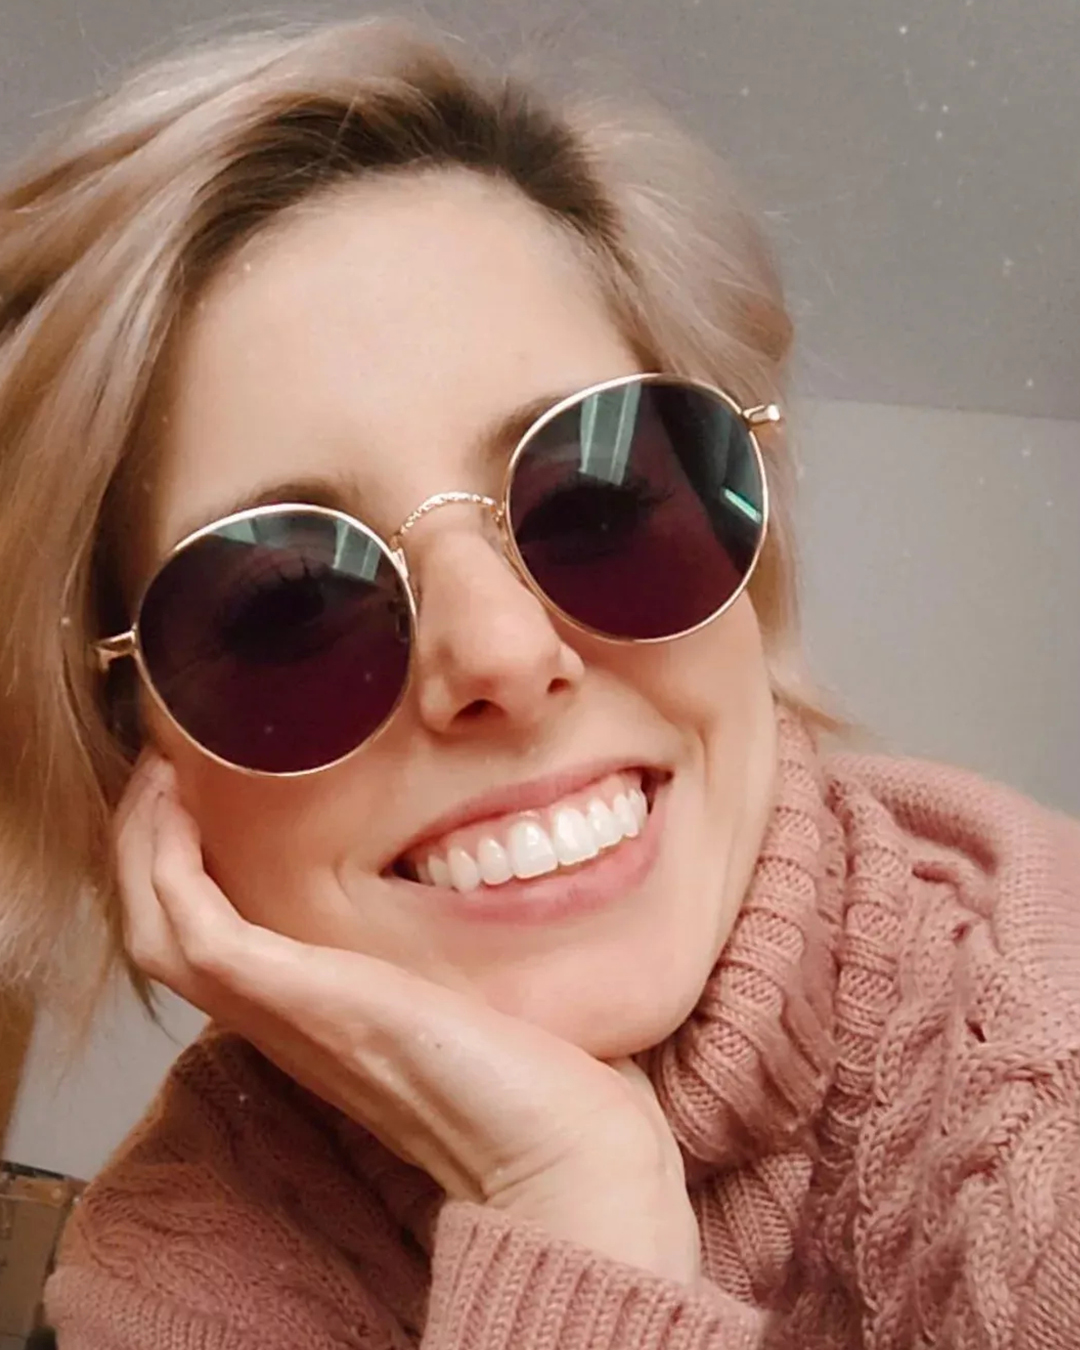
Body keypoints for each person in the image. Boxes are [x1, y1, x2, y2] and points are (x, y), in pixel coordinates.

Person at [0, 15, 1077, 1349]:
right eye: (290, 602)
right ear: (132, 750)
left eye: (598, 501)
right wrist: (573, 1211)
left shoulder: (1046, 1034)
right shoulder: (169, 1281)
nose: (504, 654)